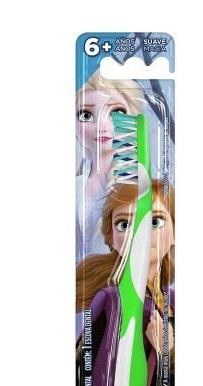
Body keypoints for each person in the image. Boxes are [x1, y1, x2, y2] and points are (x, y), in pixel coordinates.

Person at [75, 179, 175, 386]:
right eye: (124, 224)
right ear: (112, 239)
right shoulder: (110, 302)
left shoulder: (172, 304)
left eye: (155, 221)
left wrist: (167, 354)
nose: (140, 234)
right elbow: (84, 379)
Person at [75, 71, 145, 260]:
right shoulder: (76, 186)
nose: (101, 126)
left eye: (117, 112)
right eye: (86, 115)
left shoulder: (141, 185)